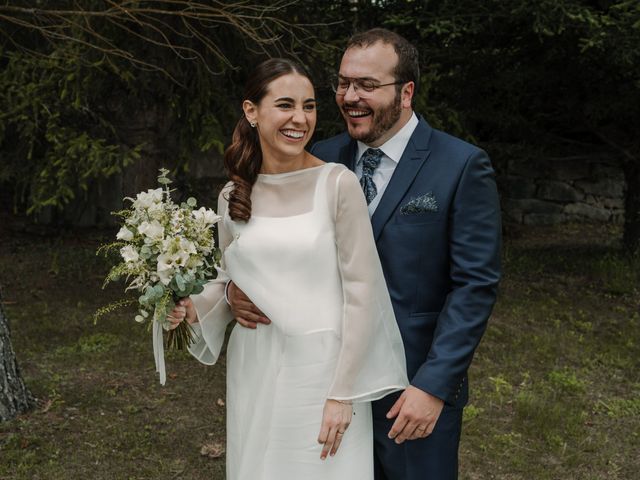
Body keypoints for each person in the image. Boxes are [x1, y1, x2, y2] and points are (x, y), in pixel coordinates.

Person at [230, 29, 502, 479]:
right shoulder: (320, 155)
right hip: (323, 386)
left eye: (367, 86)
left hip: (408, 393)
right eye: (342, 83)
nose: (350, 97)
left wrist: (432, 387)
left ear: (407, 91)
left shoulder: (460, 166)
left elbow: (475, 286)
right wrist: (235, 295)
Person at [167, 57, 408, 480]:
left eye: (310, 106)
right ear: (251, 111)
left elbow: (363, 294)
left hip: (323, 372)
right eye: (285, 105)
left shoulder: (337, 184)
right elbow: (227, 282)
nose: (300, 118)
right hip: (254, 364)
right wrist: (188, 307)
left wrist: (342, 394)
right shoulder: (232, 194)